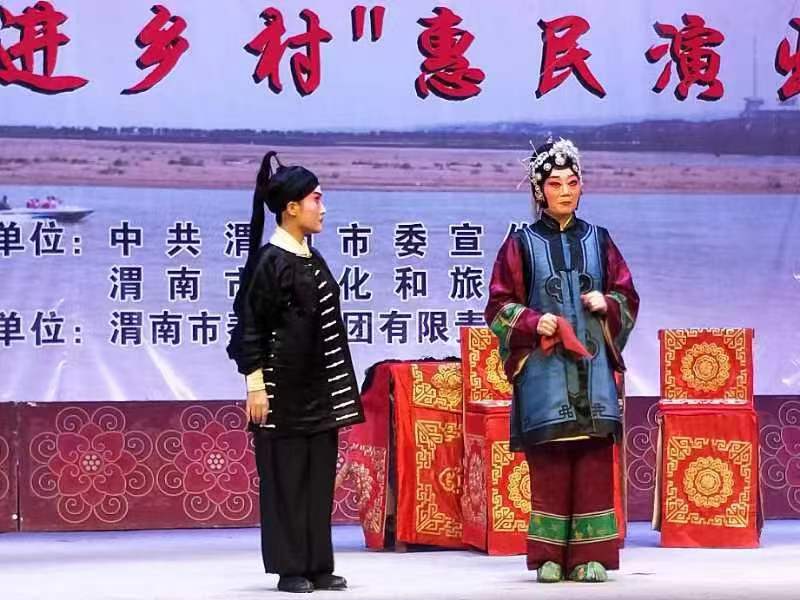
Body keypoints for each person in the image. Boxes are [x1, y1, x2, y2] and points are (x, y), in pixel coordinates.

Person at [484, 138, 639, 583]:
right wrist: (535, 322)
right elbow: (498, 307)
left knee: (592, 462)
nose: (565, 191)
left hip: (593, 370)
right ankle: (549, 556)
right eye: (555, 184)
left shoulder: (600, 240)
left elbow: (627, 295)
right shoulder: (520, 244)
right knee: (549, 463)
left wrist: (608, 303)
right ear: (539, 191)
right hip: (545, 372)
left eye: (572, 182)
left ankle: (592, 556)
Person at [227, 151, 364, 594]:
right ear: (291, 208)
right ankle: (290, 568)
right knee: (285, 481)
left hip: (318, 392)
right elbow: (249, 328)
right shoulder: (271, 262)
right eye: (316, 199)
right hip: (281, 392)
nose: (323, 208)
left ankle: (318, 564)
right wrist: (256, 387)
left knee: (318, 479)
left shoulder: (311, 257)